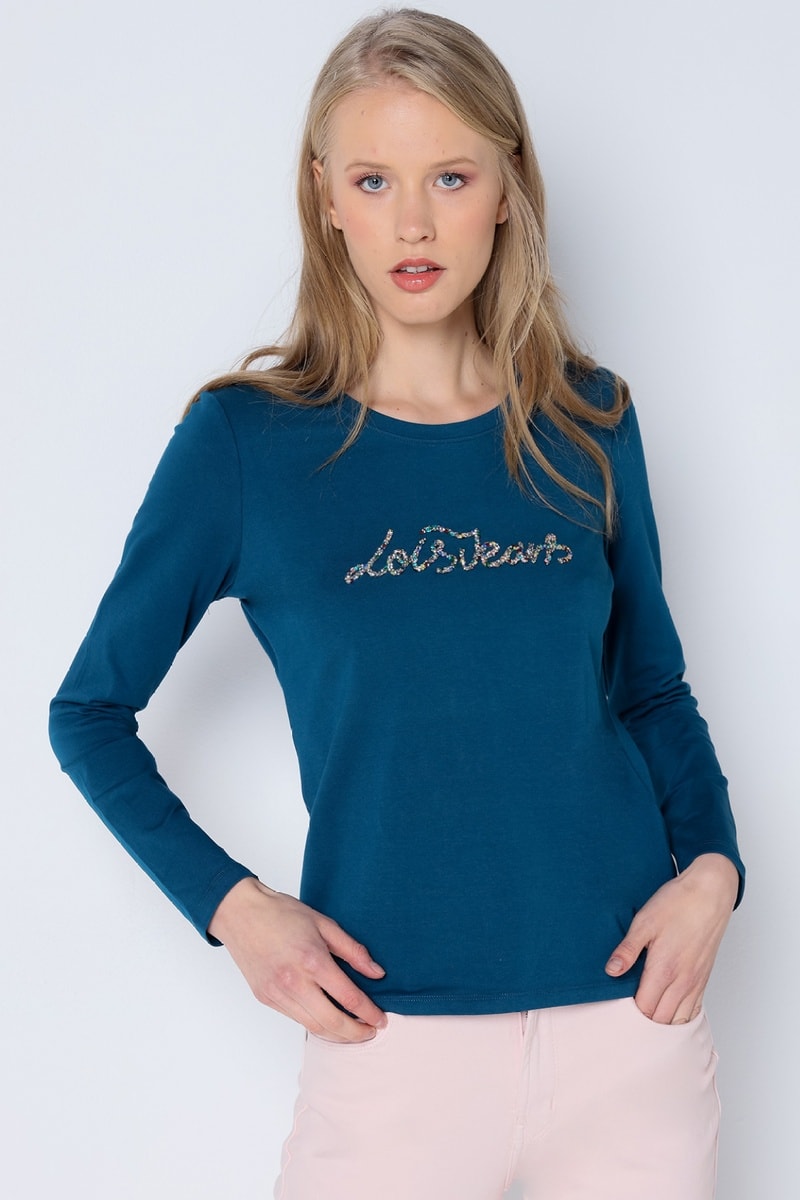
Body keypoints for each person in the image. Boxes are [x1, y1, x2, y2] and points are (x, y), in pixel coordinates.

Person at [49, 8, 744, 1199]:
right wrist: (234, 911)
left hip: (629, 1031)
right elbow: (89, 714)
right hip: (391, 1045)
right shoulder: (245, 444)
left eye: (450, 177)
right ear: (325, 196)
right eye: (373, 180)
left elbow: (648, 687)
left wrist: (714, 870)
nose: (412, 223)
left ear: (506, 189)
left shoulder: (586, 422)